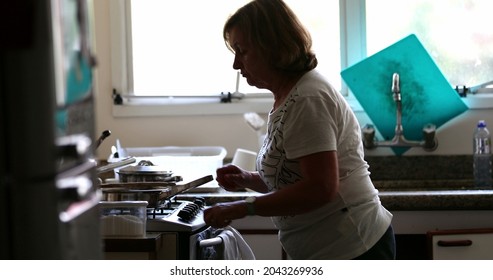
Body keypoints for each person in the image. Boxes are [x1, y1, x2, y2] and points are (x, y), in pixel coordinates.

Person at [203, 0, 395, 260]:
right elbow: (293, 179)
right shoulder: (288, 96)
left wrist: (242, 208)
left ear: (271, 46)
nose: (236, 64)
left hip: (354, 247)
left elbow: (320, 187)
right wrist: (247, 179)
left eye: (242, 51)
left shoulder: (308, 98)